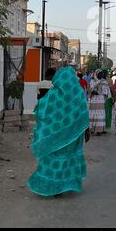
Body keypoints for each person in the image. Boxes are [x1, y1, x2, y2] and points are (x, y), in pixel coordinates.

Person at [27, 66, 90, 197]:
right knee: (69, 158)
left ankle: (55, 185)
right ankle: (66, 184)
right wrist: (86, 130)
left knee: (55, 158)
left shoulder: (53, 94)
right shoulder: (77, 92)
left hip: (55, 135)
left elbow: (41, 109)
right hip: (73, 134)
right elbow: (84, 113)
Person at [89, 70, 110, 136]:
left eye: (101, 74)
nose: (100, 75)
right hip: (93, 101)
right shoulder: (92, 81)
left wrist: (98, 92)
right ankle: (92, 129)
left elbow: (106, 92)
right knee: (93, 114)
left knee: (100, 115)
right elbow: (89, 90)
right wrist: (92, 92)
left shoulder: (104, 82)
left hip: (100, 100)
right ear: (96, 74)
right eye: (99, 74)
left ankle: (99, 130)